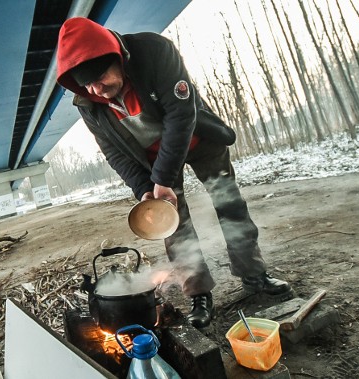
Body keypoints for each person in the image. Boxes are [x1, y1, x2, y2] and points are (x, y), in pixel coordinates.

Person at [55, 17, 292, 328]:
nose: (97, 90)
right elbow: (114, 152)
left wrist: (163, 179)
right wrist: (144, 190)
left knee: (229, 204)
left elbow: (181, 116)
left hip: (198, 138)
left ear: (117, 58)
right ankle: (198, 293)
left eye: (100, 78)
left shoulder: (154, 51)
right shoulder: (89, 104)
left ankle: (255, 275)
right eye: (88, 85)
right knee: (173, 226)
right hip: (152, 164)